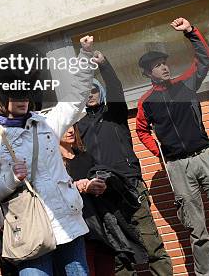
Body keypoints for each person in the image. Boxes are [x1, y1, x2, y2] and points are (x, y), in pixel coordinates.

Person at [0, 35, 97, 276]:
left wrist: (84, 57)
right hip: (29, 233)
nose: (24, 99)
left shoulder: (46, 122)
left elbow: (75, 99)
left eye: (26, 93)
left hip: (67, 225)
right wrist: (10, 179)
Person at [136, 16, 209, 276]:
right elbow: (141, 130)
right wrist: (159, 153)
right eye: (157, 66)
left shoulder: (186, 84)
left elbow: (205, 59)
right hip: (177, 168)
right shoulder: (146, 101)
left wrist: (190, 32)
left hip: (205, 158)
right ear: (147, 73)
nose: (163, 67)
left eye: (164, 63)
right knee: (196, 231)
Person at [77, 51, 172, 276]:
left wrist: (104, 64)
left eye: (93, 90)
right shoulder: (78, 127)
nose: (90, 95)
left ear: (99, 92)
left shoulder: (115, 113)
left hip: (130, 187)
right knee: (119, 255)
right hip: (103, 194)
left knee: (152, 246)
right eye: (84, 92)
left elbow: (115, 88)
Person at [60, 125, 147, 276]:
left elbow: (103, 179)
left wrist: (103, 184)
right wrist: (78, 187)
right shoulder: (54, 166)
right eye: (65, 127)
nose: (71, 131)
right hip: (79, 233)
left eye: (73, 126)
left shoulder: (85, 157)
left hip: (102, 229)